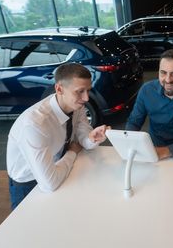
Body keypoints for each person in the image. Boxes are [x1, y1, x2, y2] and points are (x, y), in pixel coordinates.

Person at [6, 63, 109, 210]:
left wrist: (92, 139)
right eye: (80, 91)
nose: (86, 98)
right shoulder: (35, 123)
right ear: (59, 89)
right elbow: (49, 184)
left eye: (88, 90)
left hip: (57, 167)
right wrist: (72, 152)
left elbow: (84, 140)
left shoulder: (76, 107)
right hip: (28, 182)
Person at [125, 49, 173, 157]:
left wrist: (164, 151)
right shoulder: (146, 90)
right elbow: (134, 122)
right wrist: (128, 144)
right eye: (163, 73)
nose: (168, 80)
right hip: (153, 149)